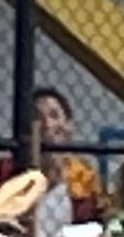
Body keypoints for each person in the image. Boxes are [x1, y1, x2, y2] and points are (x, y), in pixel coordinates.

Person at [35, 86, 104, 225]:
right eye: (37, 118)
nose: (47, 124)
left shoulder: (83, 172)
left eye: (54, 115)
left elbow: (95, 217)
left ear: (68, 124)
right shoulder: (12, 168)